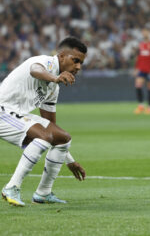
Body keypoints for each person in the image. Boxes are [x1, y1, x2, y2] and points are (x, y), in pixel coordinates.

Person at [0, 37, 87, 206]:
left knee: (62, 137)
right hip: (2, 110)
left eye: (81, 63)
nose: (78, 67)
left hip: (15, 113)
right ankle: (12, 187)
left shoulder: (54, 88)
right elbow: (34, 70)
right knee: (43, 137)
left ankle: (43, 193)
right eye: (75, 61)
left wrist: (69, 160)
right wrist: (54, 78)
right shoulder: (45, 62)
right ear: (61, 56)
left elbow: (51, 127)